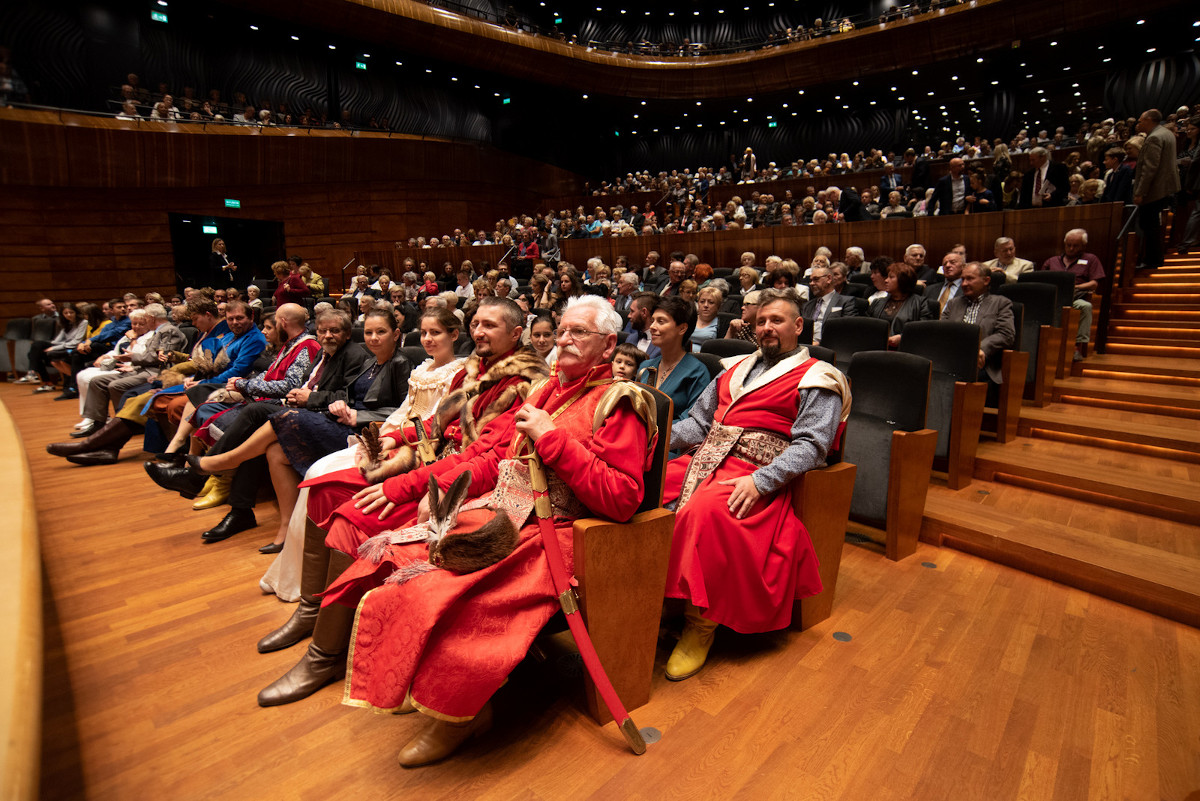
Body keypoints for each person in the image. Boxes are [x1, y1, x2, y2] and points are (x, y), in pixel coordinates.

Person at [313, 295, 655, 767]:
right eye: (562, 332)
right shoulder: (546, 389)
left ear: (610, 343)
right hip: (503, 513)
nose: (565, 341)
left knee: (444, 593)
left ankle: (462, 714)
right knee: (399, 559)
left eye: (580, 333)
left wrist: (550, 440)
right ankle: (425, 681)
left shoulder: (621, 401)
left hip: (561, 533)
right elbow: (496, 458)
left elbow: (621, 498)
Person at [251, 298, 547, 689]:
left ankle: (325, 656)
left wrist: (405, 484)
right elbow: (435, 424)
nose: (478, 331)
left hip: (463, 483)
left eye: (489, 325)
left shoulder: (525, 382)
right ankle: (311, 610)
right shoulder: (474, 369)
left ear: (515, 333)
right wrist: (392, 437)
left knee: (350, 517)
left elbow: (487, 458)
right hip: (434, 463)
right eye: (476, 323)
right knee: (321, 489)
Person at [660, 288, 850, 680]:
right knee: (647, 490)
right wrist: (655, 442)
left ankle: (699, 625)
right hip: (706, 458)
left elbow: (813, 446)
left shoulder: (818, 377)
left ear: (798, 326)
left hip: (756, 474)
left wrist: (763, 481)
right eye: (761, 321)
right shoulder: (736, 368)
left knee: (705, 510)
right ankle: (660, 596)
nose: (766, 328)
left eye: (776, 321)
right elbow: (698, 423)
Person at [941, 263, 1016, 394]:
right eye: (963, 279)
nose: (964, 284)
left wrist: (980, 348)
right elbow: (941, 331)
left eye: (969, 279)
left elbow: (1006, 334)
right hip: (951, 359)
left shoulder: (1001, 303)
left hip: (982, 364)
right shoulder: (954, 303)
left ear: (986, 280)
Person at [635, 296, 710, 423]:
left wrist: (650, 433)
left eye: (661, 321)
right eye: (652, 320)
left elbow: (693, 423)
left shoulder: (697, 373)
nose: (652, 326)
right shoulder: (645, 366)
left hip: (669, 440)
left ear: (682, 328)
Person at [1040, 228, 1105, 360]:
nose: (1071, 248)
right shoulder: (1052, 261)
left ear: (1083, 246)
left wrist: (1076, 286)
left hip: (1075, 297)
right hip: (1053, 297)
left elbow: (1094, 283)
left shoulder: (1091, 259)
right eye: (1068, 245)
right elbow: (1040, 279)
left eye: (1075, 246)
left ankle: (1077, 347)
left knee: (1086, 307)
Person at [1132, 108, 1180, 269]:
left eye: (1140, 120)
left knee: (1150, 225)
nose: (1138, 123)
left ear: (1149, 120)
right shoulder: (1167, 133)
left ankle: (1152, 260)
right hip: (1165, 187)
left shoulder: (1154, 137)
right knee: (1154, 225)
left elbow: (1150, 168)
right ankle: (1154, 258)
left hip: (1155, 189)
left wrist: (1140, 192)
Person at [869, 262, 935, 348]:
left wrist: (902, 337)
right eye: (887, 277)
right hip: (876, 347)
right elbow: (867, 325)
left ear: (903, 280)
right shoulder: (877, 302)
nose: (886, 280)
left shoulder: (921, 303)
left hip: (906, 349)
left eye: (891, 277)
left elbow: (925, 330)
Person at [802, 264, 858, 345]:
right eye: (810, 280)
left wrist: (819, 343)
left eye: (816, 279)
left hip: (830, 347)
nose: (811, 283)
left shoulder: (846, 302)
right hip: (806, 347)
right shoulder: (807, 305)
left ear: (828, 279)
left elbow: (847, 331)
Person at [690, 285, 725, 352]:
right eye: (702, 301)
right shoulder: (689, 318)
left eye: (711, 302)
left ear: (718, 306)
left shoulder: (722, 324)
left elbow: (722, 349)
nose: (706, 305)